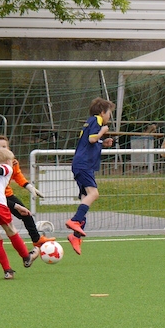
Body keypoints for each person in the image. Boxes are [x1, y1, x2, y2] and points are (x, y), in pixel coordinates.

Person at [0, 147, 39, 279]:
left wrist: (16, 206)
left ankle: (7, 271)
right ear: (7, 161)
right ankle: (26, 257)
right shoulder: (5, 168)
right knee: (11, 230)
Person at [65, 97, 116, 255]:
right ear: (102, 112)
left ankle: (76, 236)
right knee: (94, 193)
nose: (109, 117)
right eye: (109, 113)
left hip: (81, 164)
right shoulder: (96, 121)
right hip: (84, 165)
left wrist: (103, 142)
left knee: (85, 197)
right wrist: (102, 132)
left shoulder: (90, 122)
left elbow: (90, 142)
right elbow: (92, 138)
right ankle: (74, 220)